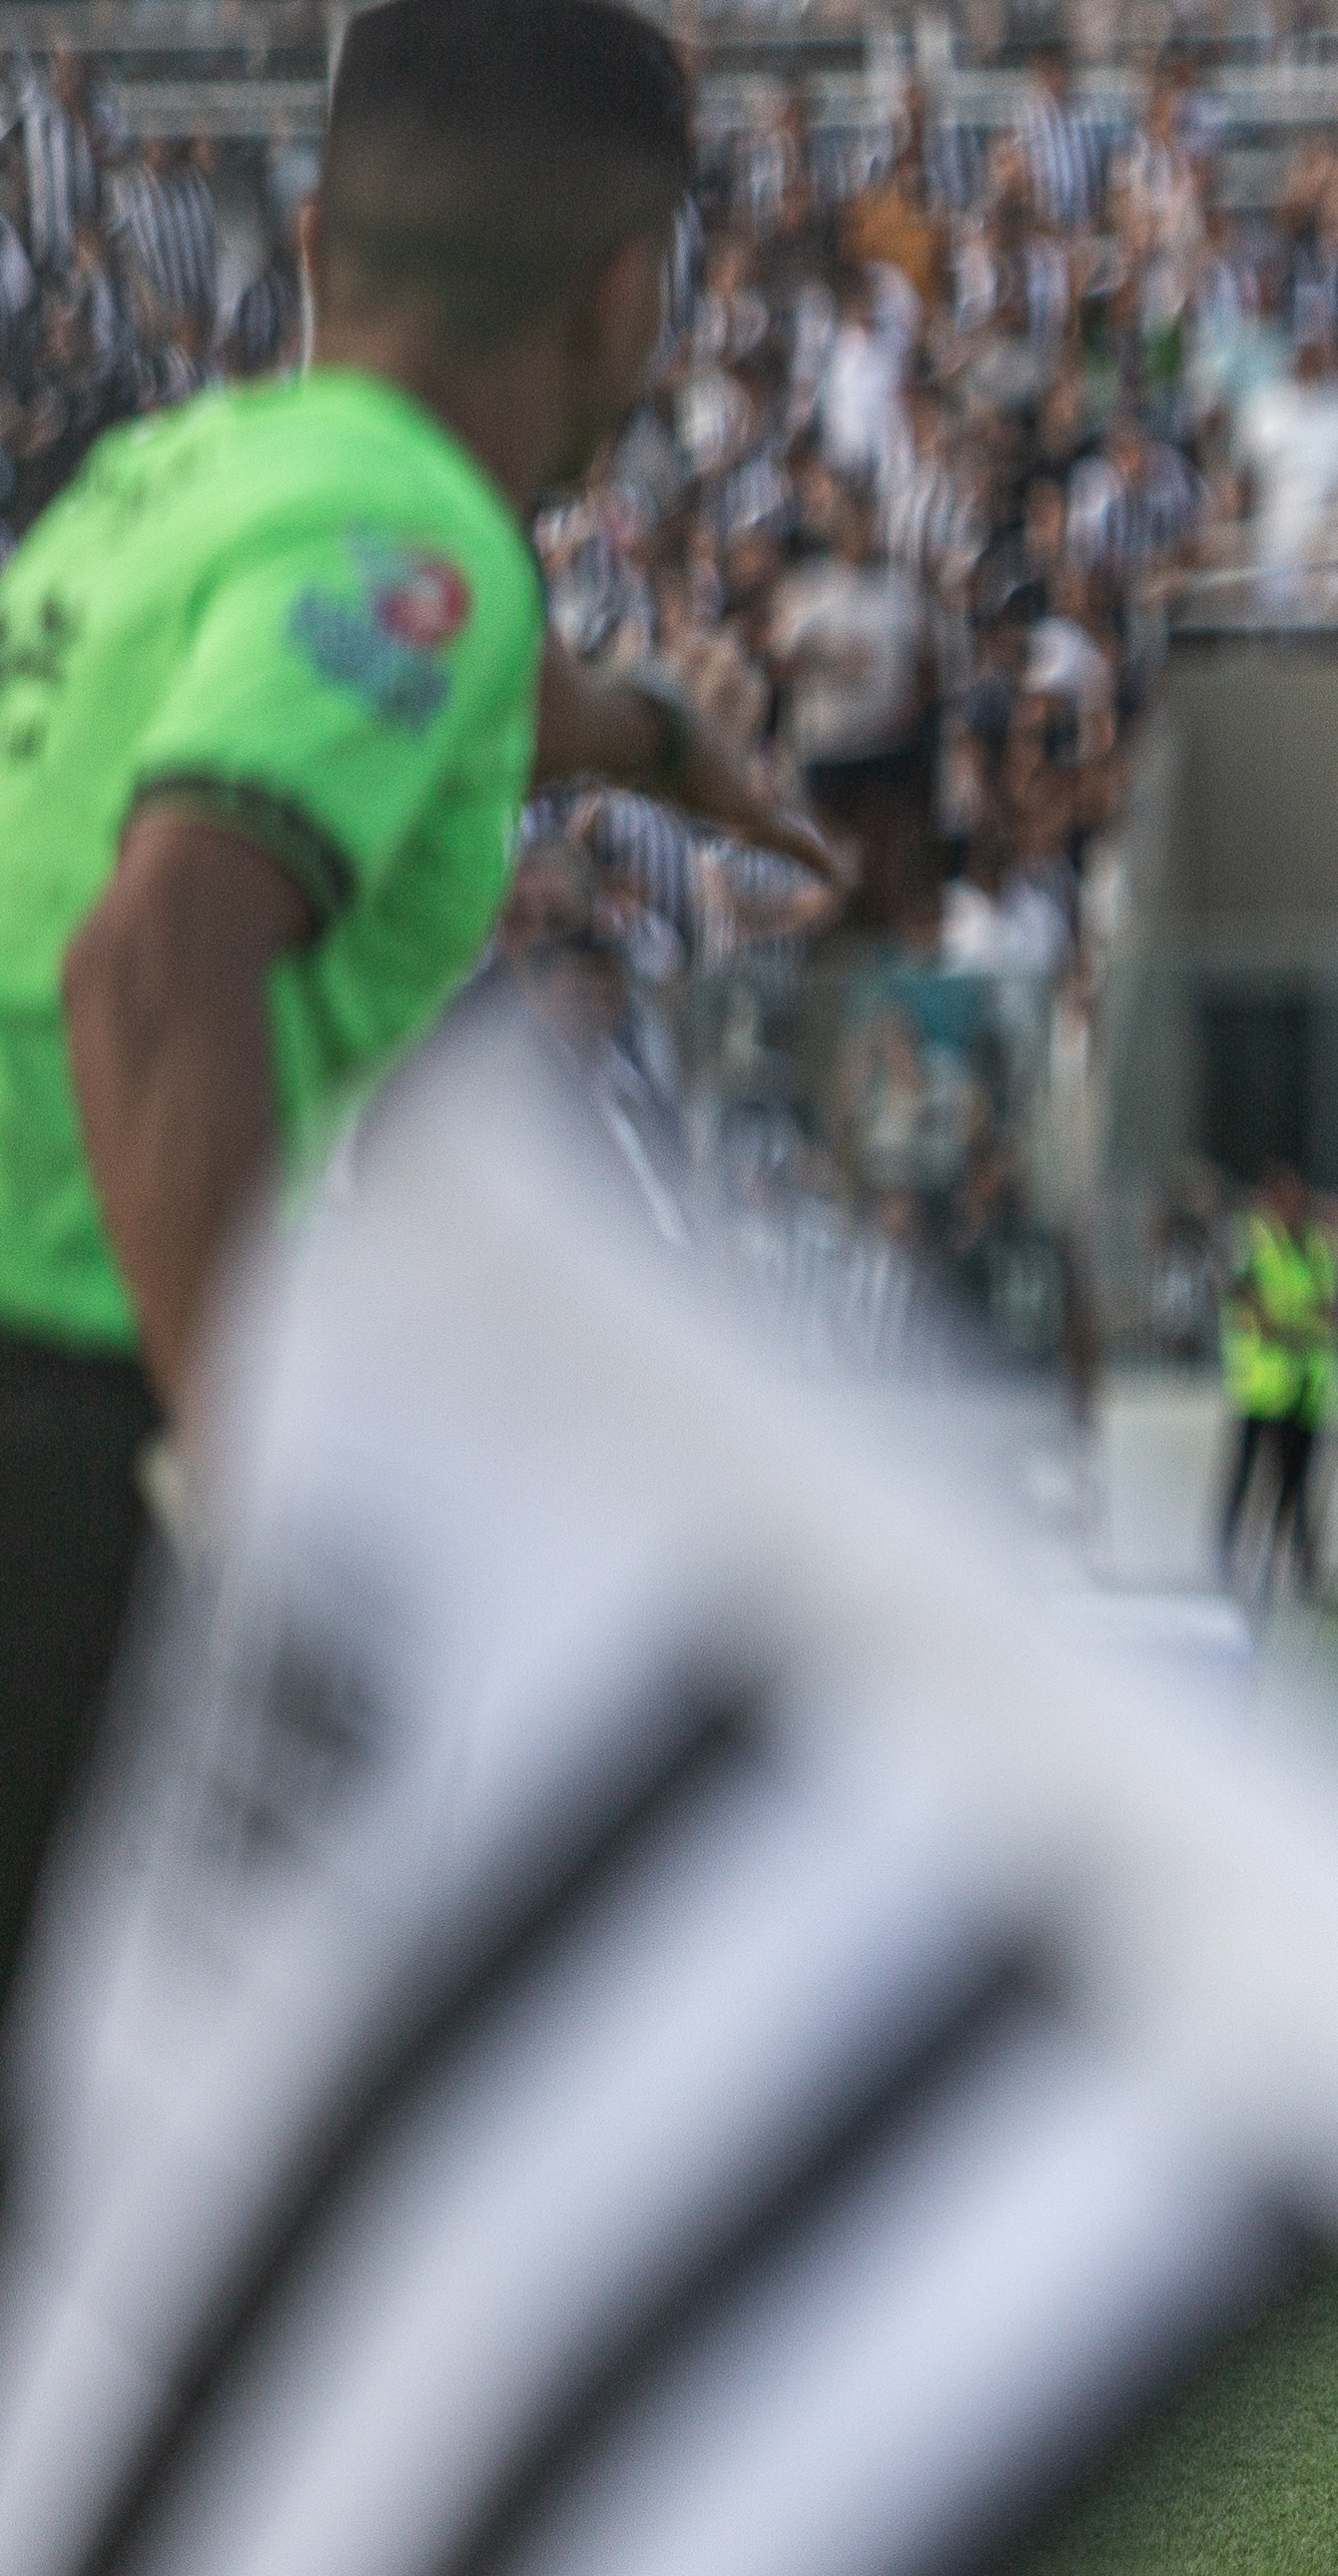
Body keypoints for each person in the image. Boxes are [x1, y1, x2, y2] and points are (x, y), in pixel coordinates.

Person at [0, 0, 838, 2030]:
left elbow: (427, 664)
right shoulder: (413, 551)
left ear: (310, 254)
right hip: (50, 1413)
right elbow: (156, 956)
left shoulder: (186, 474)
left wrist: (649, 740)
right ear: (631, 293)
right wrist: (245, 1485)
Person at [1212, 1169, 1338, 1599]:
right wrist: (1298, 1326)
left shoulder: (1319, 1244)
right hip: (1262, 1384)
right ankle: (1227, 1559)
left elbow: (1334, 1306)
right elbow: (1246, 1301)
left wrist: (1295, 1326)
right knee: (1248, 1477)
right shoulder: (1252, 1240)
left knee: (1300, 1484)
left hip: (1308, 1385)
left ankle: (1299, 1568)